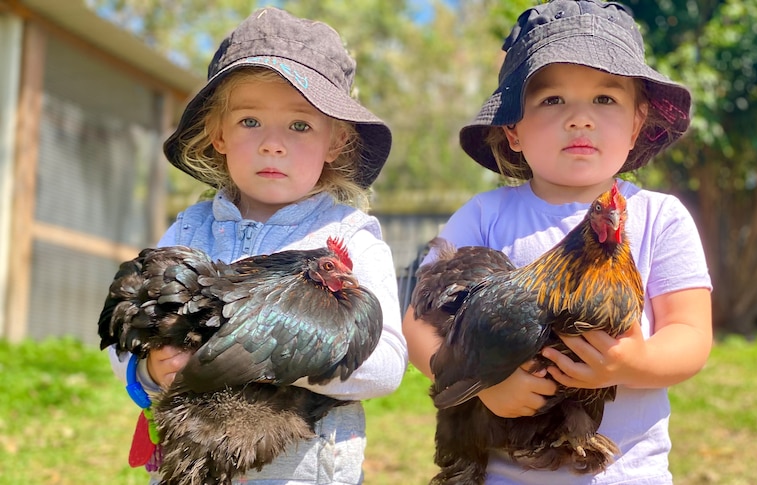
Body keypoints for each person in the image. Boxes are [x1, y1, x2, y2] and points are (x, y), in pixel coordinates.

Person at [402, 1, 713, 484]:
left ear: (636, 123)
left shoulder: (660, 218)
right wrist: (484, 385)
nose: (580, 119)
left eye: (605, 100)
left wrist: (633, 363)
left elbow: (691, 335)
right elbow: (421, 321)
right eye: (552, 101)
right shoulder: (485, 215)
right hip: (499, 471)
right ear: (513, 130)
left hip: (624, 472)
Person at [107, 7, 407, 484]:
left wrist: (265, 351)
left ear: (336, 142)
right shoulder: (189, 229)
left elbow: (386, 365)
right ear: (217, 134)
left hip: (303, 472)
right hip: (191, 462)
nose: (273, 144)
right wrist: (148, 368)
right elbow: (129, 324)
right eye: (250, 121)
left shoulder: (349, 236)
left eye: (300, 125)